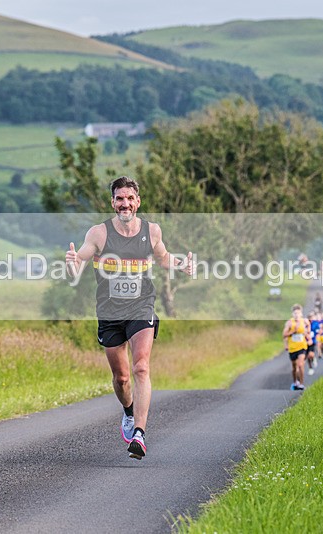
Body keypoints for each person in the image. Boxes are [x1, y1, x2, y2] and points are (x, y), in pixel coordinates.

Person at [65, 176, 194, 460]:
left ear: (138, 202)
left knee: (141, 368)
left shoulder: (152, 231)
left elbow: (162, 258)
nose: (125, 203)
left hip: (141, 307)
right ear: (113, 202)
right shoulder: (99, 233)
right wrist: (73, 264)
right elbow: (81, 260)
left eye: (130, 198)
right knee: (122, 378)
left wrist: (181, 264)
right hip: (110, 312)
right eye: (120, 199)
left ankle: (139, 433)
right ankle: (127, 411)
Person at [283, 304, 311, 391]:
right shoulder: (289, 323)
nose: (296, 315)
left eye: (298, 313)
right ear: (292, 314)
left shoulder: (305, 321)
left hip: (302, 346)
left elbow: (307, 330)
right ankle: (295, 382)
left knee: (300, 364)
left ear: (301, 314)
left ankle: (302, 384)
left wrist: (308, 337)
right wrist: (293, 331)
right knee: (294, 367)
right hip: (292, 347)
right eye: (295, 313)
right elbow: (284, 335)